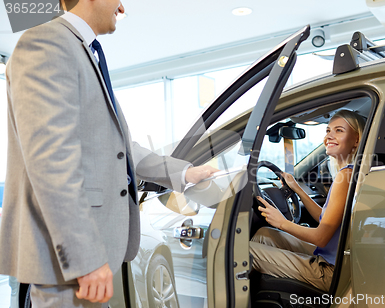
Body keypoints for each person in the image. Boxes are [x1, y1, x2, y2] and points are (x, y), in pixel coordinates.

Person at [0, 1, 217, 307]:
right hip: (66, 262)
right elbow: (51, 162)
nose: (122, 5)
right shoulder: (46, 43)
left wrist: (184, 173)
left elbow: (121, 150)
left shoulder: (84, 52)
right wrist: (84, 259)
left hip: (89, 252)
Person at [250, 109, 366, 292]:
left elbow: (321, 237)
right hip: (336, 259)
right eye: (328, 130)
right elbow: (325, 217)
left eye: (339, 130)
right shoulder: (350, 173)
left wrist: (281, 222)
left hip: (331, 272)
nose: (329, 136)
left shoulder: (346, 177)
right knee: (264, 234)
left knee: (245, 251)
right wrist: (296, 188)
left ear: (357, 139)